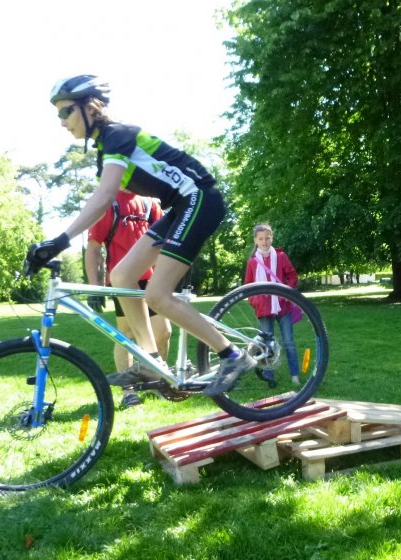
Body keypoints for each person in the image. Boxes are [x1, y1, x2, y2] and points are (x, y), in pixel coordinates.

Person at [26, 74, 256, 397]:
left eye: (66, 112)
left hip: (200, 198)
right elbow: (102, 200)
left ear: (89, 107)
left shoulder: (117, 135)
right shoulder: (106, 150)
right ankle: (150, 358)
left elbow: (105, 196)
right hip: (180, 205)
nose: (62, 122)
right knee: (121, 275)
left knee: (157, 295)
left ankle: (232, 355)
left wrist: (58, 242)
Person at [84, 189, 171, 408]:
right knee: (127, 334)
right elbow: (93, 249)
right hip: (122, 280)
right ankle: (128, 390)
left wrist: (164, 276)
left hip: (151, 280)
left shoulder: (150, 204)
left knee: (163, 331)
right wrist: (95, 287)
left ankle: (155, 380)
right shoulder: (109, 203)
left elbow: (165, 243)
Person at [244, 223, 301, 385]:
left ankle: (295, 375)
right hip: (263, 308)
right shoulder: (252, 262)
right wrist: (255, 301)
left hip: (283, 307)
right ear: (255, 241)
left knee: (289, 341)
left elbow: (292, 276)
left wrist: (286, 294)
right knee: (266, 344)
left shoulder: (281, 257)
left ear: (272, 238)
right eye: (261, 239)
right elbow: (248, 286)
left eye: (267, 238)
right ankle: (269, 376)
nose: (264, 241)